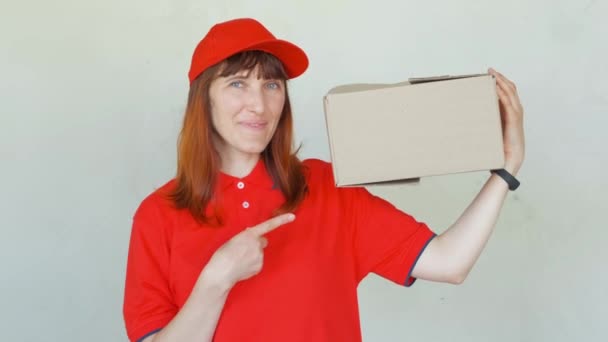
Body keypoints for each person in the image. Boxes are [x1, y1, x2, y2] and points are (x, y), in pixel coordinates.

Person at [122, 17, 525, 342]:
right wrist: (216, 279)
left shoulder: (326, 187)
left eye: (272, 84)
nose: (259, 104)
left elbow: (449, 262)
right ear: (203, 99)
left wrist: (504, 170)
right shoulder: (159, 215)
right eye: (237, 83)